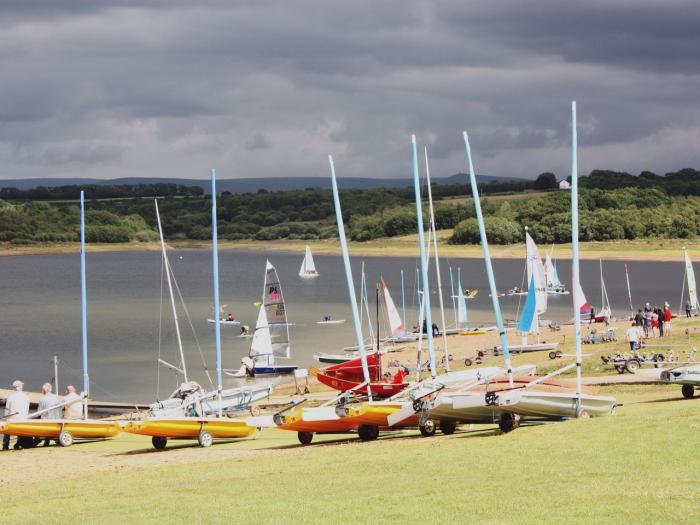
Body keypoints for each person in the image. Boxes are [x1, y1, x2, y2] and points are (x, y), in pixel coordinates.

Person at [3, 380, 30, 450]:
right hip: (23, 421)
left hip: (12, 422)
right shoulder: (27, 397)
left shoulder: (10, 397)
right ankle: (18, 443)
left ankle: (5, 445)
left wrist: (5, 419)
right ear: (20, 387)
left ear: (14, 388)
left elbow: (6, 412)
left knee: (6, 424)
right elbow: (27, 411)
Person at [36, 383, 61, 447]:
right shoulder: (57, 397)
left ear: (44, 390)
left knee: (38, 419)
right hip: (56, 420)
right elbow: (60, 410)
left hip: (47, 421)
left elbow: (39, 412)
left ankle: (38, 439)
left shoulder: (43, 399)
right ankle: (48, 440)